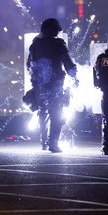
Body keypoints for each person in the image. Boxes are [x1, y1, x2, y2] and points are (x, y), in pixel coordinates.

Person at [27, 18, 78, 153]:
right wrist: (74, 76)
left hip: (39, 85)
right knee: (56, 114)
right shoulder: (58, 44)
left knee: (42, 113)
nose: (58, 31)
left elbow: (29, 64)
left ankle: (44, 142)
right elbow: (67, 61)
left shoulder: (35, 44)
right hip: (54, 84)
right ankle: (53, 143)